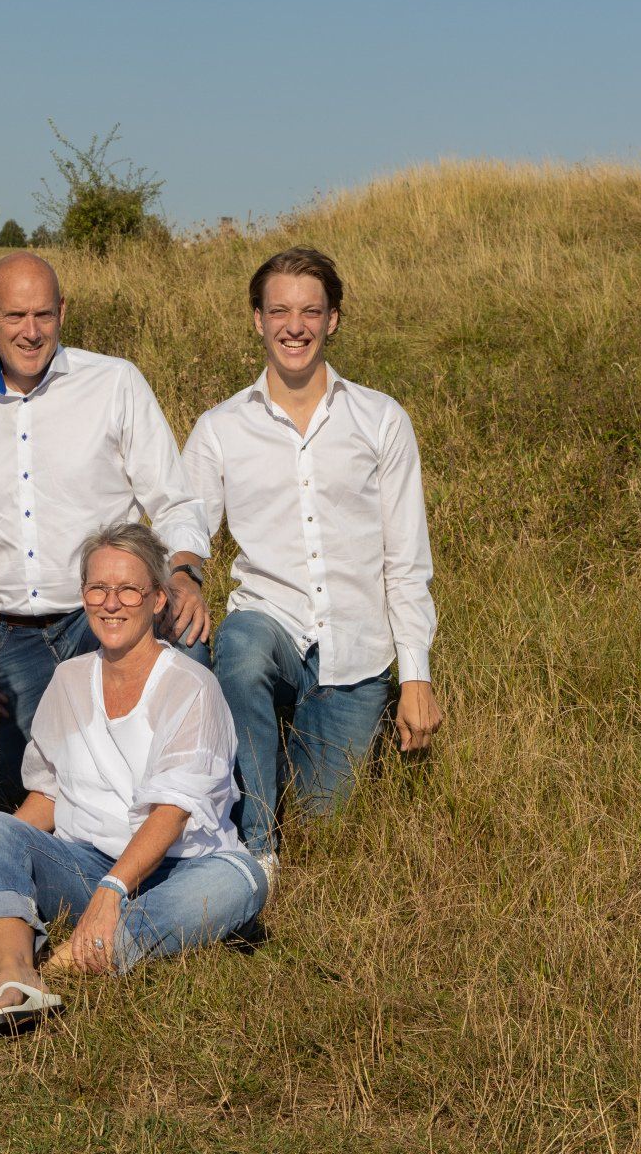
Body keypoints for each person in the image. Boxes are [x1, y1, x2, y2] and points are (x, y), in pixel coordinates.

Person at [0, 523, 267, 1039]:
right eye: (97, 588)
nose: (110, 603)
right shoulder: (68, 679)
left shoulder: (191, 686)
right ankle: (15, 976)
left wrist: (113, 891)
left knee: (242, 881)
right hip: (85, 861)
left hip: (180, 868)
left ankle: (55, 960)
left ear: (158, 598)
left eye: (128, 589)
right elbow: (48, 793)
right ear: (83, 595)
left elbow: (172, 812)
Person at [181, 246, 442, 865]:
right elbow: (186, 525)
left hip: (356, 652)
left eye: (309, 311)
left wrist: (416, 677)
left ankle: (271, 777)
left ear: (333, 320)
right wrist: (185, 574)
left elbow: (406, 561)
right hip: (269, 621)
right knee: (240, 653)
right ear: (257, 320)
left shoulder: (380, 420)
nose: (293, 326)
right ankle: (254, 854)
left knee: (324, 829)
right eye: (279, 311)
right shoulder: (220, 427)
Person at [0, 252, 211, 806]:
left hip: (103, 615)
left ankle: (190, 818)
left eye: (44, 314)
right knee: (37, 792)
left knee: (187, 647)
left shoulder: (114, 383)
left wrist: (183, 574)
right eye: (15, 316)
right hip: (9, 635)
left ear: (63, 311)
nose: (31, 331)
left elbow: (175, 498)